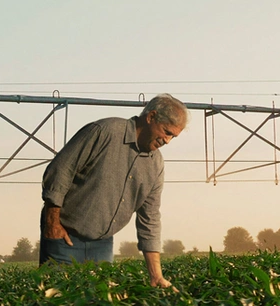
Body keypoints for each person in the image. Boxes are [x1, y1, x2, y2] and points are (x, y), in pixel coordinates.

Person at [39, 93, 187, 288]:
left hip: (103, 245)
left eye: (173, 137)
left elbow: (149, 217)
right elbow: (60, 170)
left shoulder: (156, 164)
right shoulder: (104, 131)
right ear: (151, 117)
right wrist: (52, 223)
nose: (167, 141)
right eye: (166, 132)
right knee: (58, 304)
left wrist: (156, 275)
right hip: (64, 239)